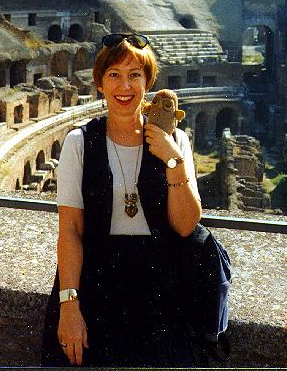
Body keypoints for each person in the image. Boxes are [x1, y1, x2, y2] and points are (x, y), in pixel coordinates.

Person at [41, 33, 203, 367]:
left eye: (134, 75)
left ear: (148, 83)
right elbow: (69, 230)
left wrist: (172, 160)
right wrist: (69, 305)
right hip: (96, 283)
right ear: (100, 83)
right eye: (114, 75)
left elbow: (187, 226)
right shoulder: (79, 143)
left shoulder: (177, 141)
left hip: (161, 288)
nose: (124, 86)